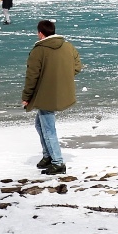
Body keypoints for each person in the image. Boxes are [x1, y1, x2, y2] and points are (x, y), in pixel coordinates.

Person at [21, 18, 82, 176]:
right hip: (59, 92)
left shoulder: (38, 50)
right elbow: (77, 66)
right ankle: (48, 156)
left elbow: (32, 76)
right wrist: (62, 79)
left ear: (40, 34)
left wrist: (26, 97)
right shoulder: (68, 46)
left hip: (45, 94)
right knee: (40, 124)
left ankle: (57, 162)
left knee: (48, 128)